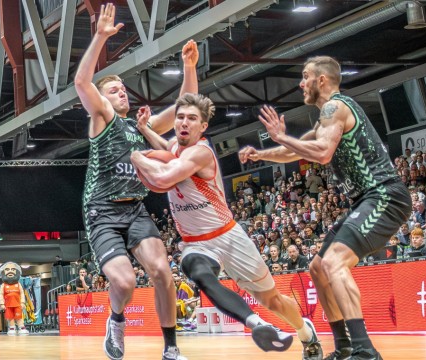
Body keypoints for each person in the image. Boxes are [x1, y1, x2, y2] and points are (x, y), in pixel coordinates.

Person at [239, 56, 411, 360]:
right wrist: (260, 155)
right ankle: (344, 345)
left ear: (322, 80)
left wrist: (280, 136)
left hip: (383, 195)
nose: (300, 83)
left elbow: (321, 153)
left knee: (333, 264)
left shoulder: (336, 106)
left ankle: (365, 350)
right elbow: (292, 149)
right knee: (318, 268)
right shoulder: (325, 118)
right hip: (366, 199)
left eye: (305, 77)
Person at [131, 93, 322, 359]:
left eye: (192, 119)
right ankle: (256, 324)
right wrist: (144, 130)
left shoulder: (200, 153)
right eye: (180, 117)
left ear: (203, 127)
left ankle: (306, 332)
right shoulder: (176, 146)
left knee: (273, 300)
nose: (184, 122)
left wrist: (137, 158)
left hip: (229, 237)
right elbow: (168, 149)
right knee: (199, 273)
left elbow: (163, 177)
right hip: (196, 242)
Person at [73, 4, 198, 359]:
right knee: (125, 281)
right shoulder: (103, 119)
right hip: (102, 210)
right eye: (114, 90)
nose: (122, 93)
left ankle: (171, 348)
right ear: (103, 99)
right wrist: (100, 37)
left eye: (123, 89)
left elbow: (184, 108)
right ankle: (116, 321)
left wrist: (188, 68)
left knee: (162, 270)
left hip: (135, 209)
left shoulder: (139, 127)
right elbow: (81, 82)